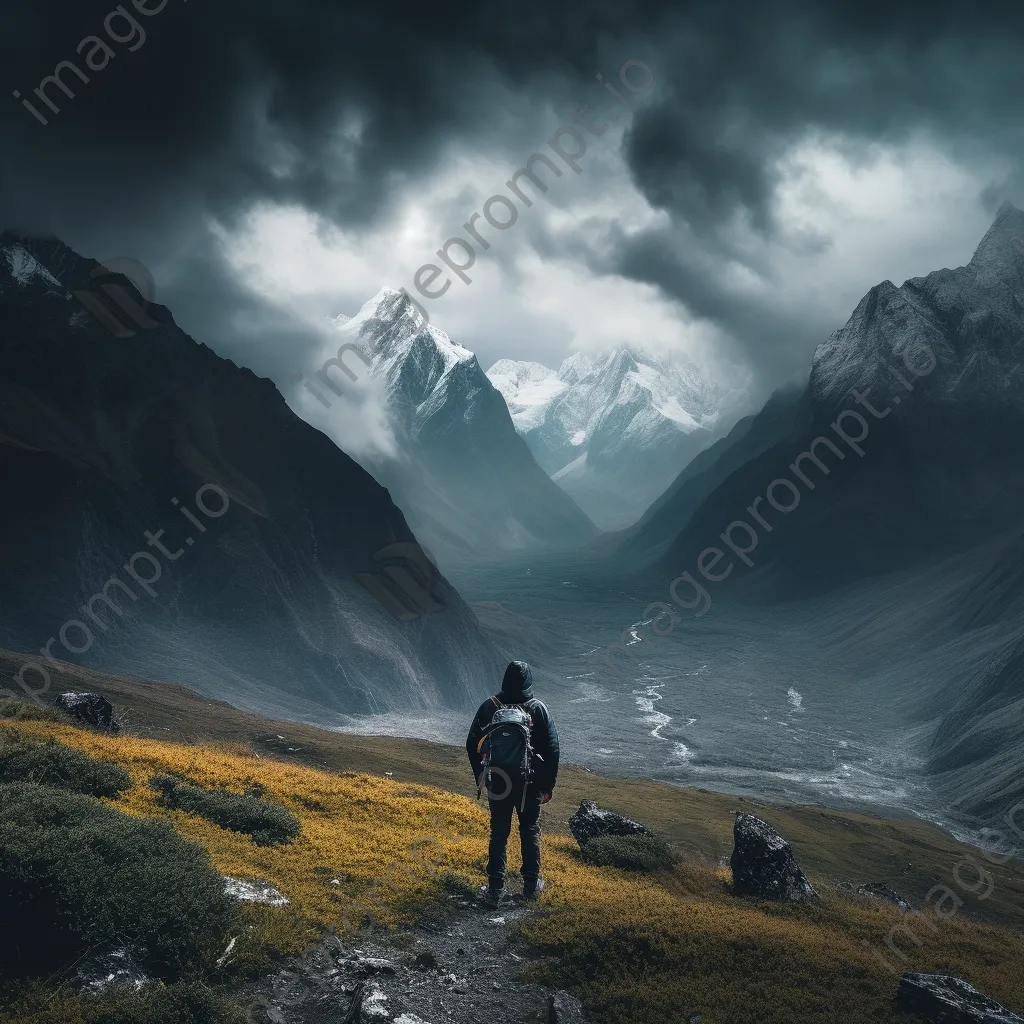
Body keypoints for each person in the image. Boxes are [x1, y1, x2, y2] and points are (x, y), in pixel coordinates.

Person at [465, 660, 559, 907]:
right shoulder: (538, 709)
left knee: (499, 833)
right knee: (529, 829)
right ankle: (531, 885)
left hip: (499, 783)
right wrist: (548, 786)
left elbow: (470, 743)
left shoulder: (490, 707)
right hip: (530, 783)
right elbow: (552, 750)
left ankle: (495, 889)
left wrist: (482, 776)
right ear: (528, 681)